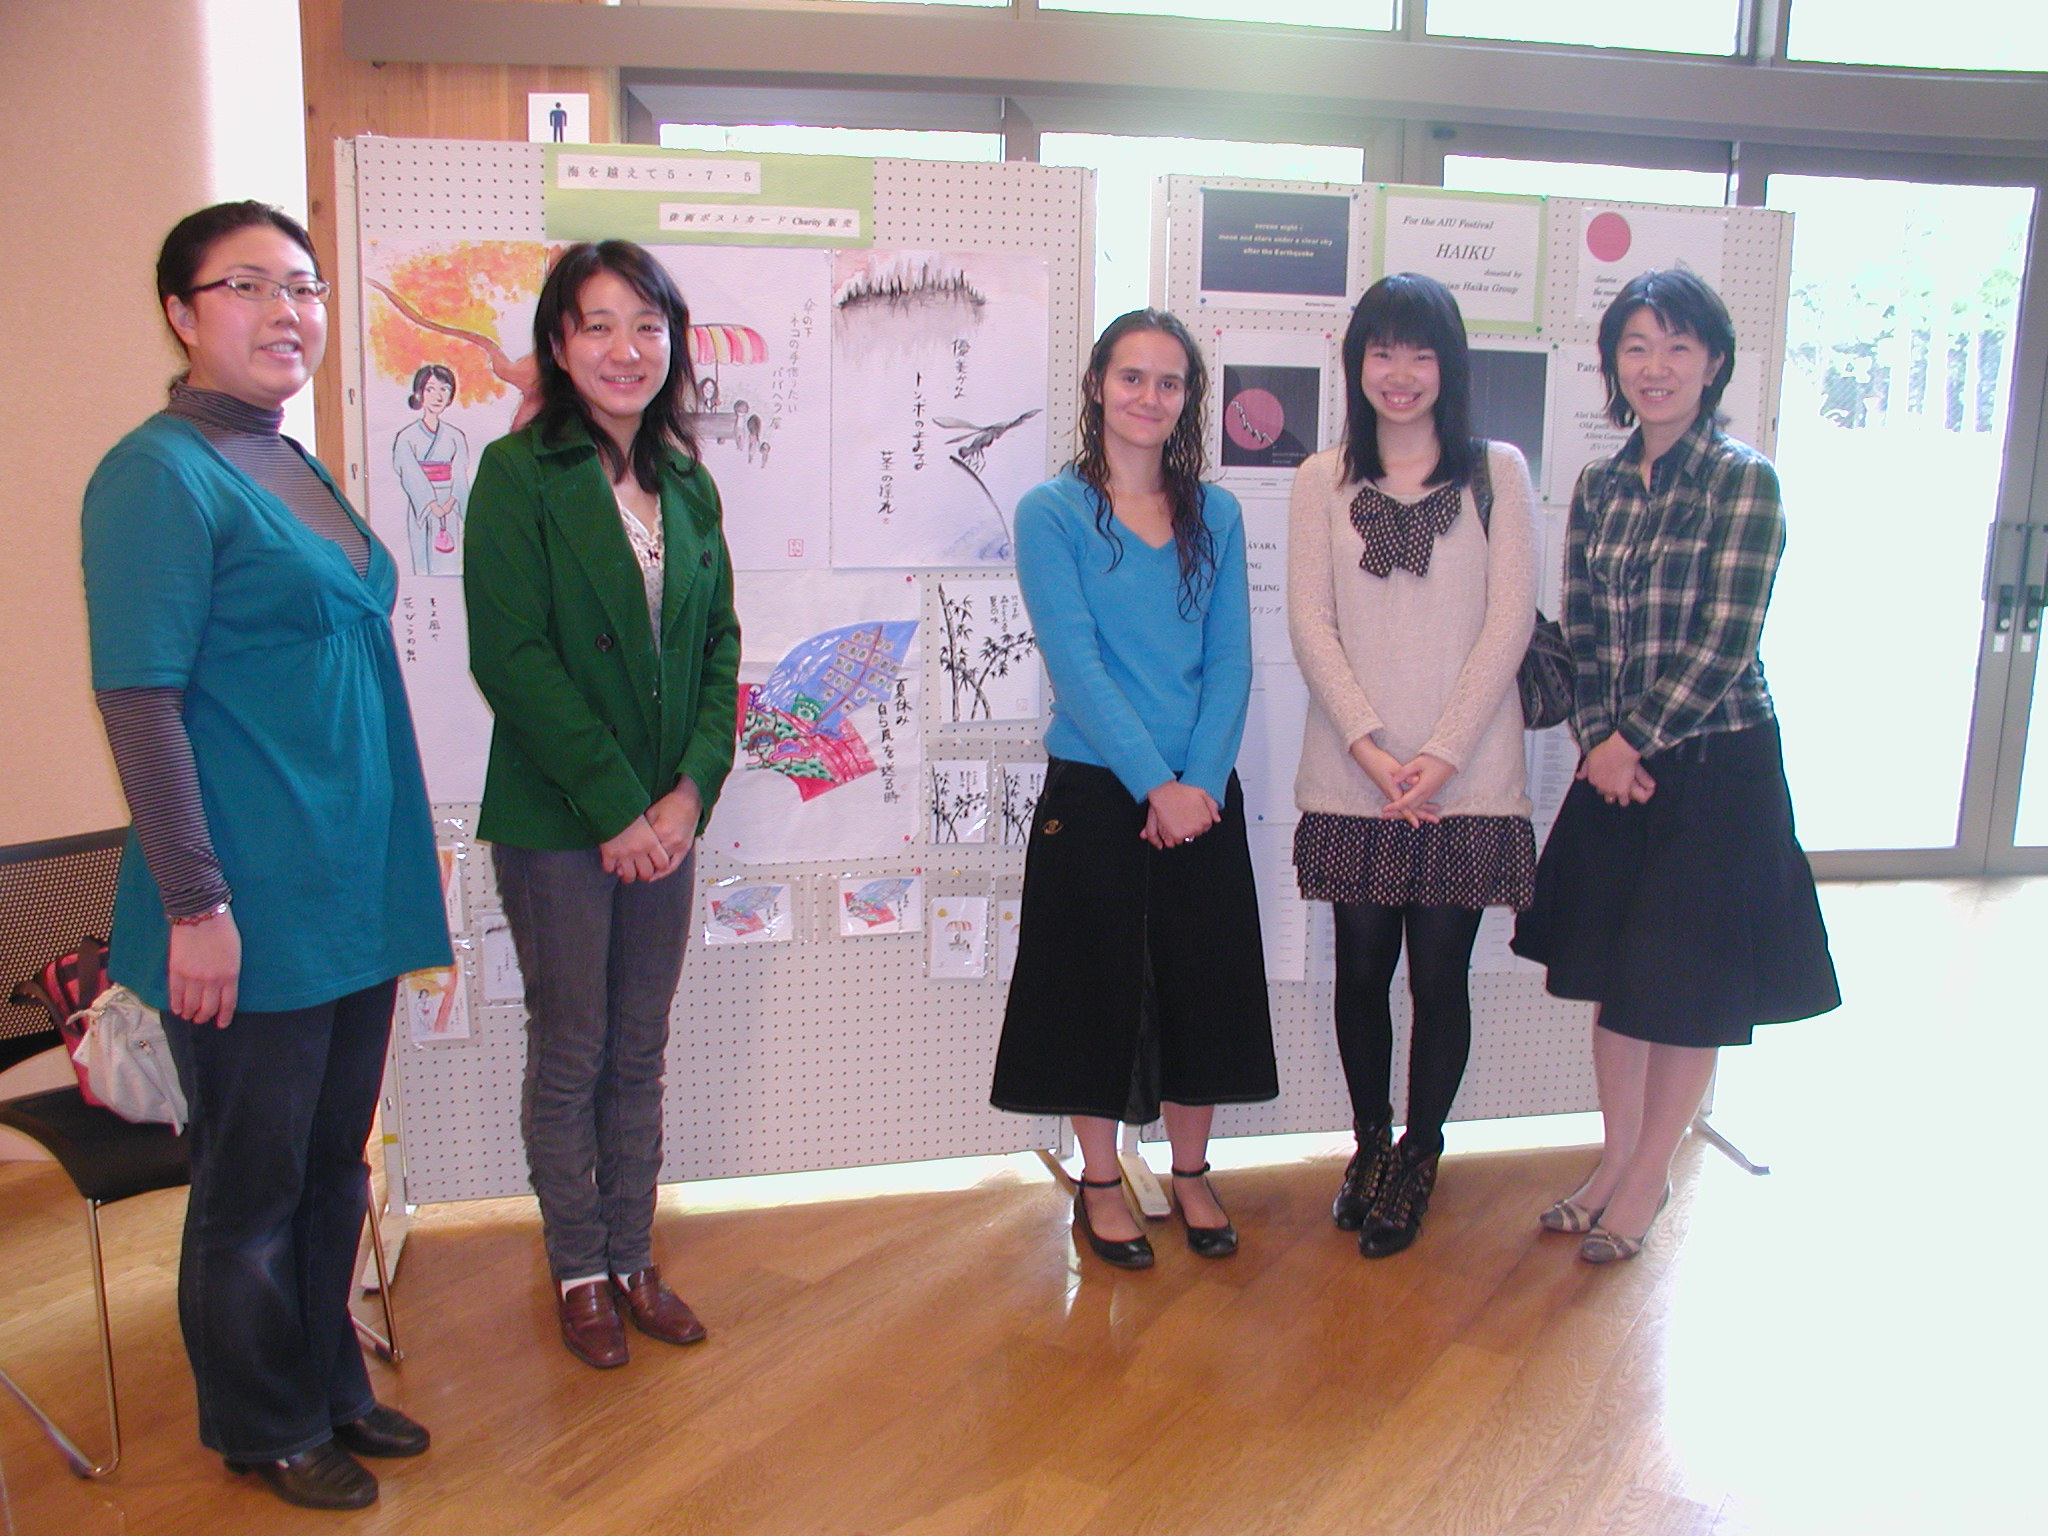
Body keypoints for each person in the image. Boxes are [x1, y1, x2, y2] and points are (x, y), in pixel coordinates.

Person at [81, 201, 449, 1510]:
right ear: (181, 314)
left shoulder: (288, 457)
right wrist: (196, 903)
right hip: (244, 901)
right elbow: (140, 701)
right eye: (247, 286)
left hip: (347, 885)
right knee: (249, 1185)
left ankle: (330, 1383)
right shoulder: (156, 474)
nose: (287, 310)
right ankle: (263, 1421)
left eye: (303, 285)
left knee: (332, 1163)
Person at [1512, 269, 1839, 1263]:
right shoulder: (1601, 485)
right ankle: (1613, 1160)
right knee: (1616, 977)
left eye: (1677, 347)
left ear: (1713, 362)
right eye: (1636, 347)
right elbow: (1581, 626)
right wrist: (1597, 740)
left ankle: (1649, 1176)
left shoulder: (1744, 481)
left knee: (1687, 986)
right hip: (1613, 765)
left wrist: (1630, 740)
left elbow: (1727, 639)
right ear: (1613, 364)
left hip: (1715, 765)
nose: (1654, 367)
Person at [465, 240, 740, 1365]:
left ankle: (634, 1257)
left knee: (639, 1048)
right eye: (598, 325)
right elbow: (512, 657)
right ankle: (578, 1268)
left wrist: (689, 794)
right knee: (572, 1047)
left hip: (664, 823)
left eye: (647, 325)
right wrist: (619, 809)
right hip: (558, 820)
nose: (626, 349)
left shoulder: (688, 481)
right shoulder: (516, 472)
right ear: (558, 343)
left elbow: (719, 649)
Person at [990, 309, 1277, 1269]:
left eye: (1170, 382)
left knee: (1206, 989)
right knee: (1093, 994)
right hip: (1097, 787)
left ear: (1188, 398)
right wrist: (1155, 784)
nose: (1150, 397)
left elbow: (1231, 662)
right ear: (1097, 387)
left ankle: (1191, 1173)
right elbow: (1076, 667)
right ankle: (1102, 1181)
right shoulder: (1052, 513)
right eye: (1132, 378)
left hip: (1202, 792)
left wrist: (1196, 785)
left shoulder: (1217, 515)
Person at [1287, 272, 1539, 1258]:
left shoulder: (1496, 472)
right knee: (1359, 971)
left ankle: (1420, 1152)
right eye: (1382, 351)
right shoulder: (1321, 478)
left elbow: (1508, 622)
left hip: (1465, 781)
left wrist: (1439, 754)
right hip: (1352, 776)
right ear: (1356, 361)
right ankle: (1367, 1145)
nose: (1400, 373)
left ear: (1449, 365)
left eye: (1421, 353)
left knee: (1439, 977)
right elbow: (1309, 623)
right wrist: (1368, 745)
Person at [393, 362, 470, 575]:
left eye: (444, 389)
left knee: (451, 564)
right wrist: (431, 504)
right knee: (423, 561)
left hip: (449, 504)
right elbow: (408, 471)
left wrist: (449, 503)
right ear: (419, 393)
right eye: (430, 389)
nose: (438, 396)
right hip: (422, 504)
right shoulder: (406, 436)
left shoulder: (455, 436)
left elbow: (460, 474)